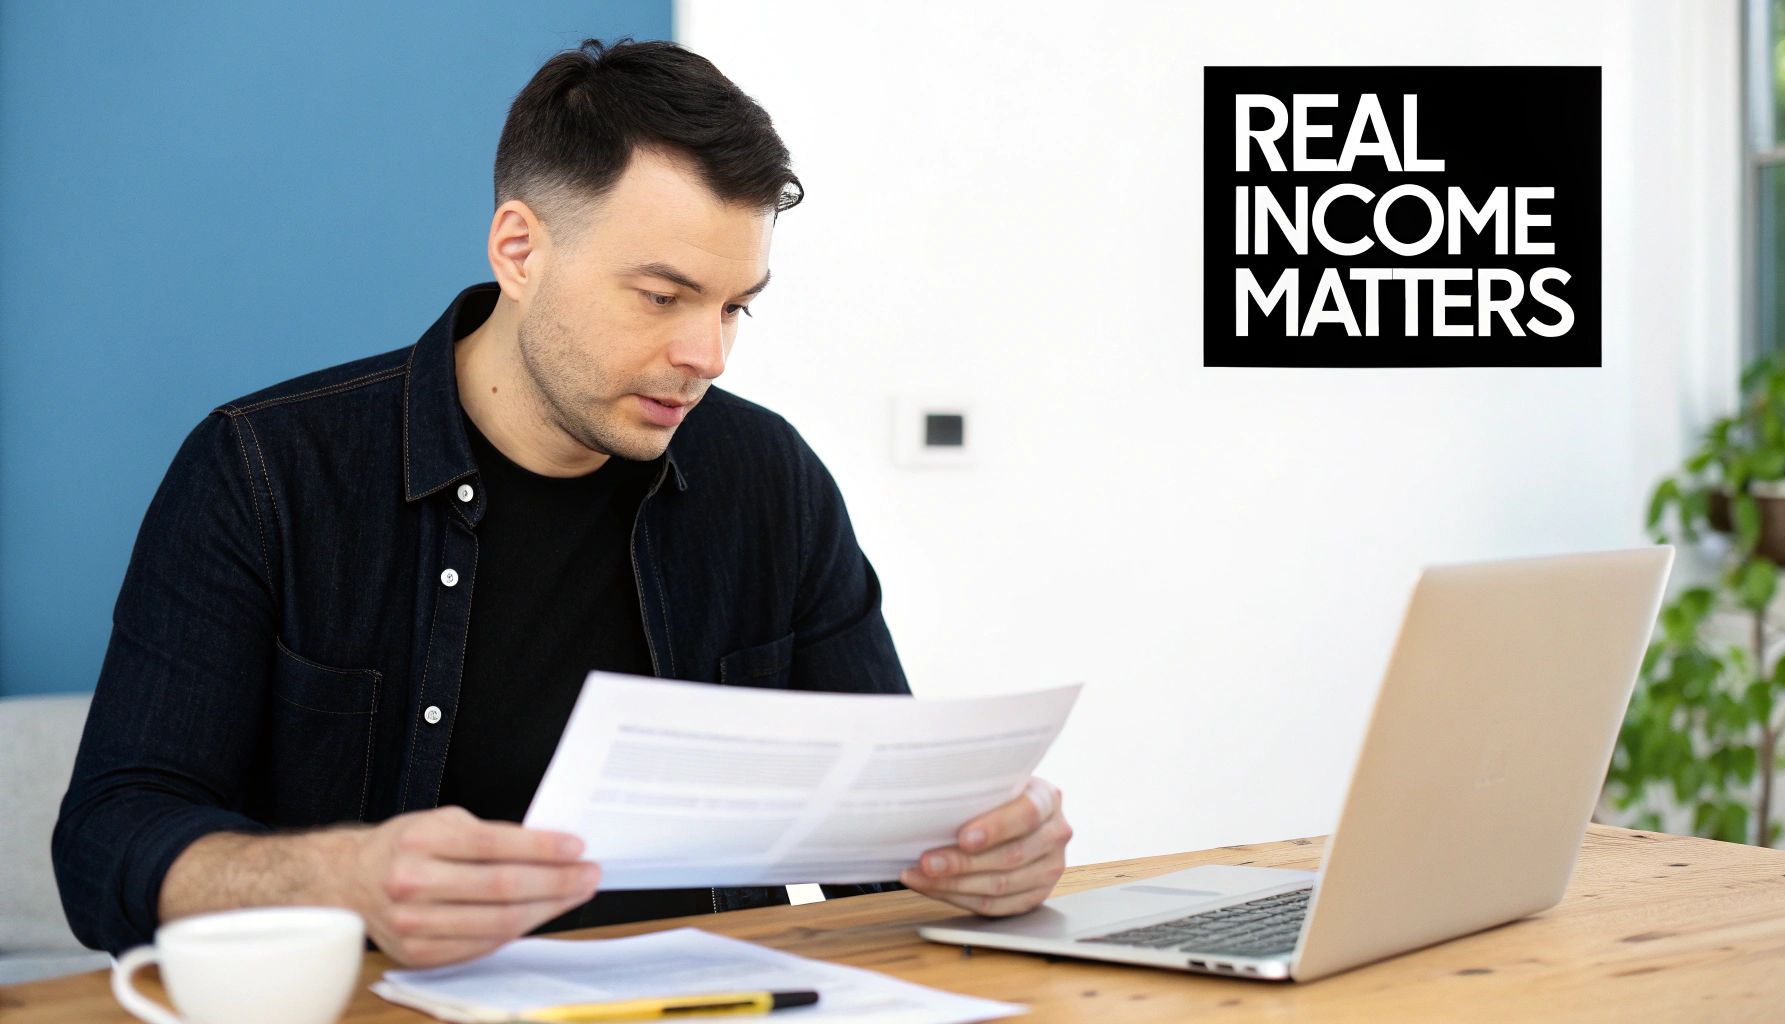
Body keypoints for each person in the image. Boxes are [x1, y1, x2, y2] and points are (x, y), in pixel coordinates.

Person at [52, 37, 1072, 968]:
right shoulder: (267, 471)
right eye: (663, 296)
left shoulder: (769, 480)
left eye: (733, 307)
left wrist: (979, 861)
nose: (705, 355)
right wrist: (337, 877)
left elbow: (883, 855)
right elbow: (106, 847)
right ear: (519, 251)